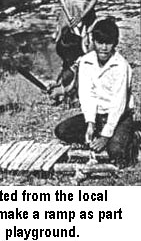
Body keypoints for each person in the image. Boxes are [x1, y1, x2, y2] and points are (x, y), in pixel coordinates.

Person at [54, 18, 138, 168]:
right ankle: (99, 135)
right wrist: (90, 123)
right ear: (93, 41)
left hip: (119, 117)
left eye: (108, 43)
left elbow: (118, 104)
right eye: (100, 42)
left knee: (116, 152)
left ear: (115, 43)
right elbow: (87, 95)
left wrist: (106, 136)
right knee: (62, 131)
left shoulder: (121, 66)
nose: (104, 48)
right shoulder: (86, 62)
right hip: (98, 116)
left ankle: (132, 137)